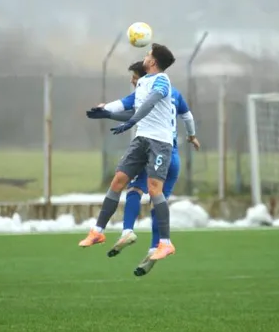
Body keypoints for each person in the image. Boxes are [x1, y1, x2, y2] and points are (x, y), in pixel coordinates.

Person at [86, 60, 200, 276]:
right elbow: (187, 116)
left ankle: (128, 230)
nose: (132, 81)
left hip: (156, 152)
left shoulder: (148, 90)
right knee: (158, 203)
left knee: (135, 190)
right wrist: (192, 136)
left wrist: (106, 111)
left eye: (135, 77)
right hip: (172, 155)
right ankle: (155, 249)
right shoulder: (173, 93)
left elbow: (127, 108)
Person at [78, 43, 177, 261]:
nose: (145, 56)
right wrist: (106, 113)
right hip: (141, 139)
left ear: (153, 62)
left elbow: (150, 104)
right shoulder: (141, 82)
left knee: (154, 189)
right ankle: (98, 232)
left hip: (159, 142)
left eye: (148, 54)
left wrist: (132, 120)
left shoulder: (162, 80)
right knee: (118, 180)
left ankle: (166, 243)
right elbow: (131, 108)